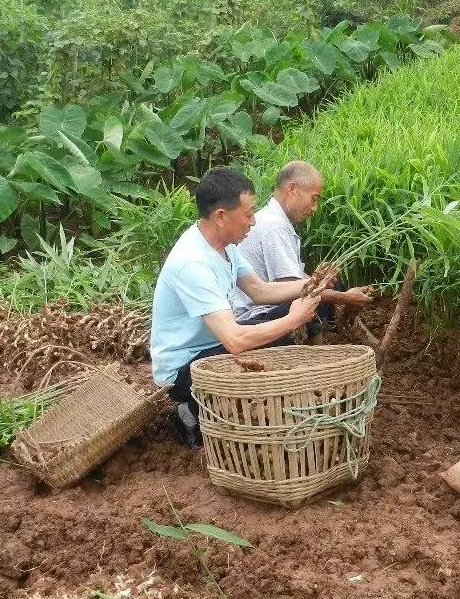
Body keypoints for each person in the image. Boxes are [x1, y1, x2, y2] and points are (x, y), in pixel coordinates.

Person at [150, 166, 334, 448]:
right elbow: (235, 341)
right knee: (281, 331)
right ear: (221, 216)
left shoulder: (225, 244)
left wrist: (313, 284)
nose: (252, 222)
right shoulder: (193, 263)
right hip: (183, 370)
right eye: (248, 215)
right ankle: (190, 412)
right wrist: (293, 319)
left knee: (286, 319)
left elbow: (260, 290)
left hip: (210, 344)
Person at [232, 160, 373, 327]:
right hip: (255, 315)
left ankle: (328, 335)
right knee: (312, 303)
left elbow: (297, 282)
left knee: (332, 285)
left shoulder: (273, 220)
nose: (314, 209)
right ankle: (315, 352)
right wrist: (345, 298)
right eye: (313, 199)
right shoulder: (275, 227)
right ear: (292, 188)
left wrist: (322, 280)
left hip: (263, 302)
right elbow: (297, 291)